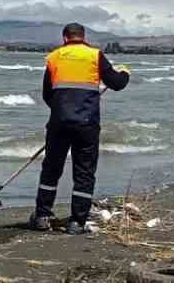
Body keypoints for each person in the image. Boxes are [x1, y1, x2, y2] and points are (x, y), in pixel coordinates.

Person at [30, 23, 131, 234]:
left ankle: (42, 216)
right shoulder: (95, 55)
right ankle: (77, 222)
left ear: (65, 38)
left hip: (59, 123)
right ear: (83, 36)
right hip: (87, 124)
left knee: (51, 170)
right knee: (84, 172)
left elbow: (47, 94)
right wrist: (125, 72)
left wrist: (62, 110)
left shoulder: (55, 57)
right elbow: (116, 83)